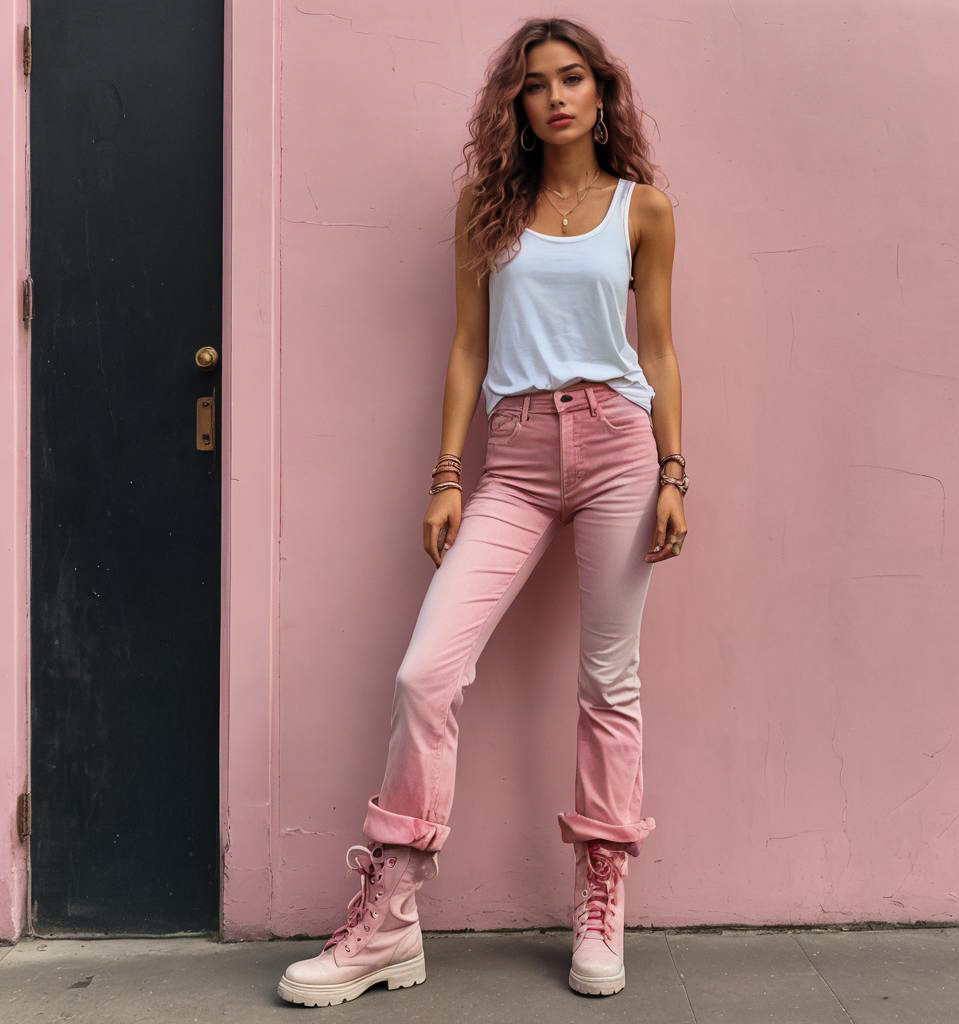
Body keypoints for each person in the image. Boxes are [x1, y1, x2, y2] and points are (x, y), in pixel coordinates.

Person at [277, 16, 688, 1007]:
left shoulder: (643, 210)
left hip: (616, 446)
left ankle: (600, 897)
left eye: (572, 78)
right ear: (517, 103)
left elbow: (661, 348)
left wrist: (675, 468)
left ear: (601, 94)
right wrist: (446, 474)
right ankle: (390, 917)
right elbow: (467, 347)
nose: (554, 96)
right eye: (535, 83)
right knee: (426, 673)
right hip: (512, 453)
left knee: (608, 681)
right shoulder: (485, 208)